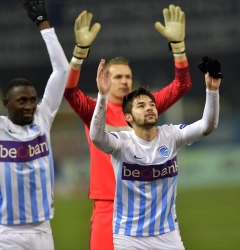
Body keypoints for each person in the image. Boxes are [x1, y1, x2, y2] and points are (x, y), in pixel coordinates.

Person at [64, 5, 192, 250]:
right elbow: (69, 92)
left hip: (144, 207)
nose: (124, 81)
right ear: (105, 78)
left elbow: (181, 85)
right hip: (107, 203)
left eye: (128, 77)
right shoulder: (93, 109)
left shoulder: (143, 108)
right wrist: (79, 53)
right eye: (117, 77)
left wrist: (178, 47)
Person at [89, 57, 221, 250]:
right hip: (128, 237)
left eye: (151, 104)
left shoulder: (171, 135)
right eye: (140, 106)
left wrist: (212, 90)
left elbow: (207, 126)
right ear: (129, 117)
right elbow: (97, 137)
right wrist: (102, 96)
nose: (149, 108)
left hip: (167, 235)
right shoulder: (122, 143)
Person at [0, 0, 70, 249]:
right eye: (22, 101)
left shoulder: (43, 118)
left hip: (42, 231)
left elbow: (62, 70)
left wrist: (44, 24)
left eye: (32, 99)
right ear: (7, 103)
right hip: (6, 232)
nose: (29, 105)